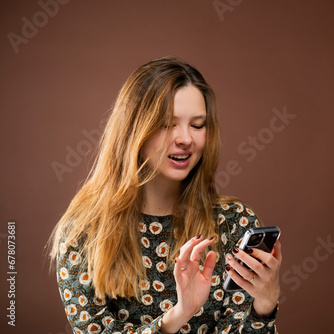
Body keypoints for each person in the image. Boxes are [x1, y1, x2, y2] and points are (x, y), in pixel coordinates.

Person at [46, 57, 282, 334]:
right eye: (168, 124)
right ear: (133, 129)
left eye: (197, 125)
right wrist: (179, 315)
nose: (186, 139)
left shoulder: (235, 222)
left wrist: (265, 304)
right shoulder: (84, 232)